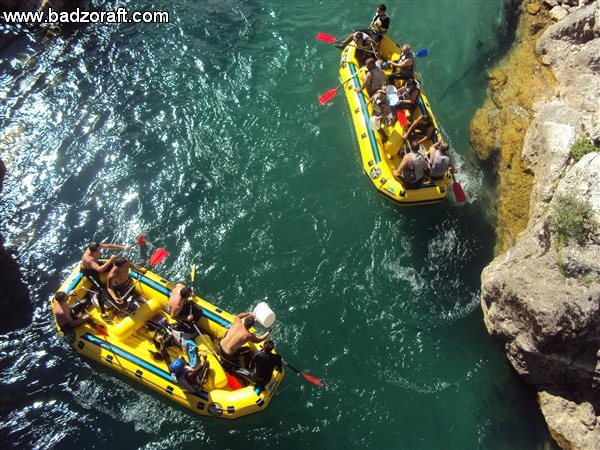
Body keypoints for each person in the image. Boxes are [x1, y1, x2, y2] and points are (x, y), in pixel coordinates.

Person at [80, 241, 129, 321]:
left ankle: (118, 286)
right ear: (94, 251)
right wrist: (110, 260)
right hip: (90, 271)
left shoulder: (96, 247)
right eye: (99, 251)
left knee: (115, 265)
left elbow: (109, 246)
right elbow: (99, 270)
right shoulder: (89, 259)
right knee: (101, 290)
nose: (100, 252)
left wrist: (122, 247)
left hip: (96, 265)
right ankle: (103, 313)